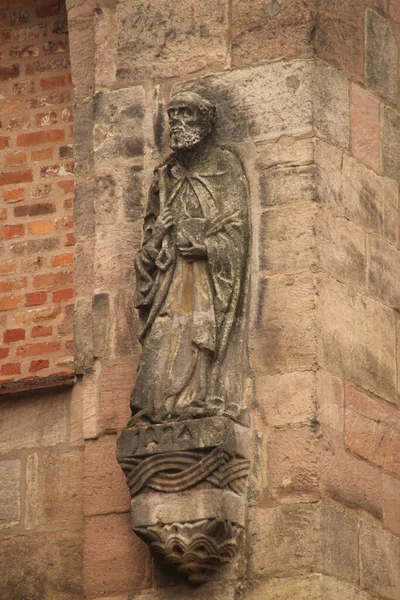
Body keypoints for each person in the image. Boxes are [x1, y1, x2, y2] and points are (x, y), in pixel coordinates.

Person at [128, 91, 249, 425]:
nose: (179, 123)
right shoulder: (164, 178)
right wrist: (159, 233)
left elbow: (236, 233)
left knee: (196, 334)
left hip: (204, 282)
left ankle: (195, 399)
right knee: (161, 339)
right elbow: (146, 256)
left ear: (206, 123)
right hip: (168, 284)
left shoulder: (224, 168)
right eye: (173, 116)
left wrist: (208, 248)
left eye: (188, 115)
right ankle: (154, 409)